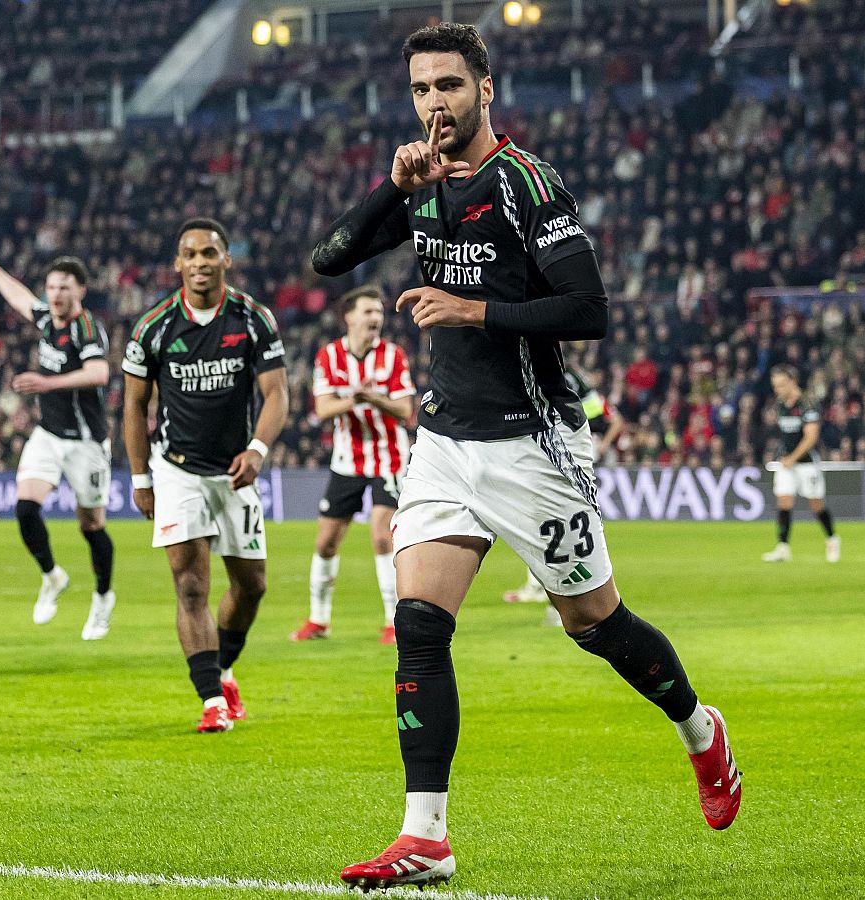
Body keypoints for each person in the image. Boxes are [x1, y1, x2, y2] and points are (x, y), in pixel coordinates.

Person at [311, 24, 741, 890]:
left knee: (598, 626)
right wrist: (387, 190)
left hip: (534, 441)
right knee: (420, 629)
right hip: (442, 441)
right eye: (422, 89)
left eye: (449, 86)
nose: (434, 103)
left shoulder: (528, 185)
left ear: (486, 88)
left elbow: (589, 310)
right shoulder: (422, 181)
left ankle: (702, 731)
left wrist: (473, 311)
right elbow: (329, 261)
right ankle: (425, 835)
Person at [122, 218, 289, 733]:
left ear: (225, 260)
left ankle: (224, 669)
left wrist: (258, 449)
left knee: (252, 587)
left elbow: (277, 394)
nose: (199, 262)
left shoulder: (253, 318)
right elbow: (133, 406)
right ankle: (211, 700)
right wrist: (140, 477)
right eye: (190, 255)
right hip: (177, 473)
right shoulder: (153, 327)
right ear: (178, 264)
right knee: (190, 584)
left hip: (235, 473)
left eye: (209, 253)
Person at [0, 229, 116, 641]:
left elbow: (99, 373)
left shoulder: (87, 327)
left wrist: (46, 383)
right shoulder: (47, 319)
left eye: (64, 288)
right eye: (51, 287)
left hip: (86, 441)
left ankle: (103, 597)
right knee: (25, 508)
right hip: (49, 434)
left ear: (80, 291)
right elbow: (19, 298)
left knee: (91, 526)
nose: (55, 294)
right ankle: (52, 576)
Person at [291, 284, 416, 645]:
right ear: (349, 317)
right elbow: (323, 408)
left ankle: (395, 622)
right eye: (368, 311)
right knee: (327, 541)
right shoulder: (329, 356)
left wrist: (373, 397)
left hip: (388, 457)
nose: (376, 318)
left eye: (378, 312)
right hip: (346, 459)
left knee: (381, 536)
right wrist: (354, 399)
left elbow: (406, 410)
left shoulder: (393, 356)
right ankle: (318, 620)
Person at [503, 367, 625, 624]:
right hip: (546, 453)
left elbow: (611, 419)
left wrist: (599, 445)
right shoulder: (546, 371)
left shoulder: (566, 377)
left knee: (559, 521)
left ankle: (564, 599)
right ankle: (547, 591)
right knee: (542, 520)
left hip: (566, 458)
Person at [761, 364, 839, 563]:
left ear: (792, 382)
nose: (777, 390)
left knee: (816, 504)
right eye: (775, 386)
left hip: (806, 464)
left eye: (781, 385)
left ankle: (832, 538)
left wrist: (792, 458)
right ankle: (783, 547)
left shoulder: (808, 404)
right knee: (783, 502)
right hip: (786, 462)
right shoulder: (780, 404)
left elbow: (811, 437)